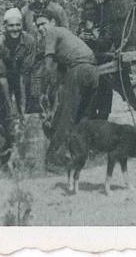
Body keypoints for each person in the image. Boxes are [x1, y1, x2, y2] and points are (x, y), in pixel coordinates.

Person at [35, 10, 100, 170]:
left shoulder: (52, 32)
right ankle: (82, 155)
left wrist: (42, 91)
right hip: (93, 70)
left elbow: (49, 65)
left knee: (66, 116)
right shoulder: (66, 34)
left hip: (79, 69)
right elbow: (60, 73)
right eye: (38, 26)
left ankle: (53, 160)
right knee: (84, 115)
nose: (41, 29)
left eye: (43, 24)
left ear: (52, 22)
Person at [0, 8, 37, 168]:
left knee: (24, 111)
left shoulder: (29, 41)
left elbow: (23, 75)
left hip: (17, 75)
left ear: (22, 25)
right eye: (11, 26)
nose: (15, 29)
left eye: (18, 25)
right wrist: (10, 105)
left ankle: (22, 150)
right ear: (4, 26)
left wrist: (21, 104)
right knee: (1, 113)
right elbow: (1, 78)